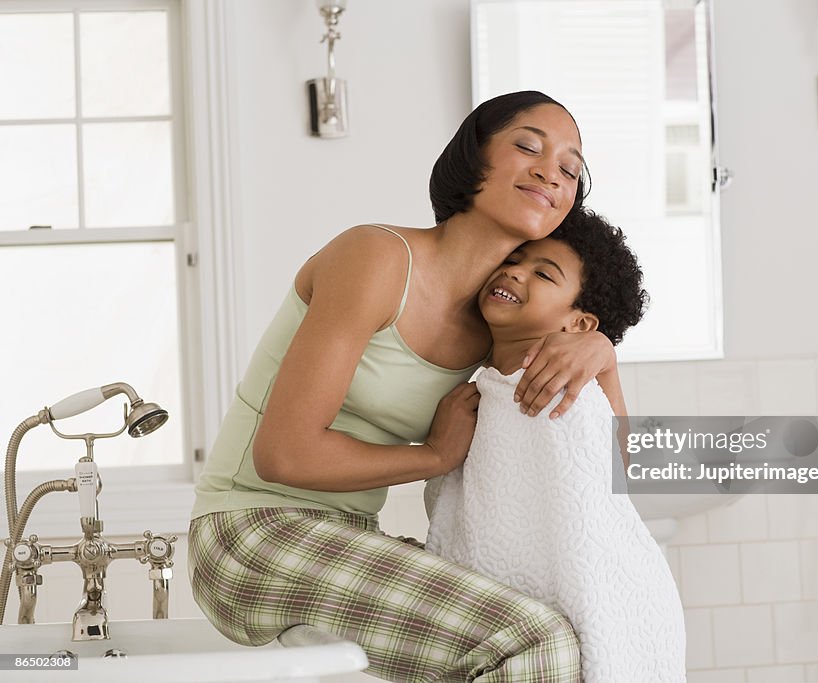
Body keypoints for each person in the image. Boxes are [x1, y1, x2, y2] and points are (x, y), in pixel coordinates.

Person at [188, 91, 625, 683]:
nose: (554, 171)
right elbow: (283, 453)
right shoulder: (376, 258)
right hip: (249, 534)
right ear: (474, 159)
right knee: (533, 639)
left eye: (572, 170)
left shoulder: (495, 317)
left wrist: (605, 356)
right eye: (528, 146)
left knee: (568, 623)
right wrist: (433, 457)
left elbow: (610, 461)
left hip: (345, 536)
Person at [425, 208, 687, 682]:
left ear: (580, 325)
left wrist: (604, 361)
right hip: (512, 625)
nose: (514, 271)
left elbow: (610, 475)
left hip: (582, 612)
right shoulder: (479, 391)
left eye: (543, 273)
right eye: (515, 259)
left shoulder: (565, 391)